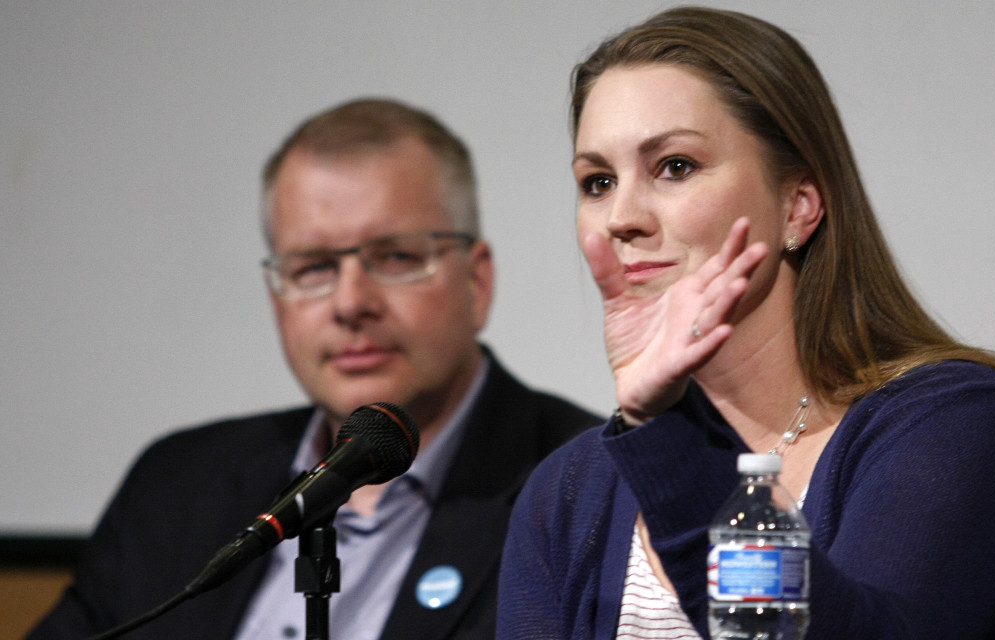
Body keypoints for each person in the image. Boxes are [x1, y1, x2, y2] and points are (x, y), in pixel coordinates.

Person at [497, 7, 995, 640]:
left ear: (798, 205)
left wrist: (665, 434)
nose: (621, 217)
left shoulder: (956, 426)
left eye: (675, 166)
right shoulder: (568, 492)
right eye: (598, 181)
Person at [29, 98, 599, 640]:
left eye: (396, 257)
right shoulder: (175, 486)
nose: (351, 303)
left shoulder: (587, 490)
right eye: (313, 268)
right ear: (278, 296)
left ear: (476, 283)